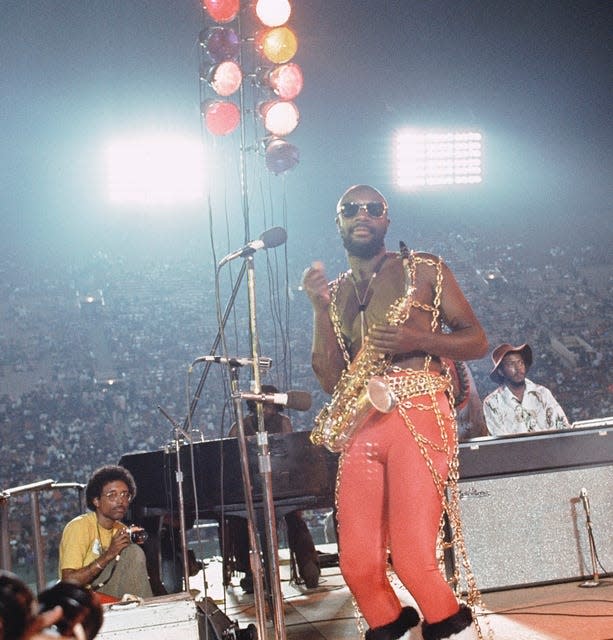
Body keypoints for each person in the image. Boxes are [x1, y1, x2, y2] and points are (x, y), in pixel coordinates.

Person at [302, 185, 488, 640]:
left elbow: (477, 341)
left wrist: (417, 340)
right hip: (362, 420)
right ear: (338, 221)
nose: (362, 214)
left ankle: (453, 629)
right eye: (351, 208)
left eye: (373, 208)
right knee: (358, 565)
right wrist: (319, 311)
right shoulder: (338, 291)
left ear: (387, 219)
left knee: (412, 558)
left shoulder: (424, 268)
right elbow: (330, 380)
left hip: (420, 407)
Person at [226, 385, 321, 592]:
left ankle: (308, 566)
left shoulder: (283, 422)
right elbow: (230, 456)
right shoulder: (239, 426)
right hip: (251, 488)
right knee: (239, 521)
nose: (267, 410)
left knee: (295, 518)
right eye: (263, 406)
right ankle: (249, 571)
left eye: (270, 406)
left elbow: (291, 454)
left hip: (280, 486)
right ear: (253, 405)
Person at [58, 465, 153, 601]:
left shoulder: (121, 529)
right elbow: (68, 582)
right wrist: (109, 554)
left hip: (109, 590)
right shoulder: (79, 527)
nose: (121, 501)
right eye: (112, 495)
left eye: (125, 495)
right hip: (83, 597)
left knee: (134, 551)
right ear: (96, 500)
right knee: (133, 552)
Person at [483, 342, 571, 436]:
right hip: (515, 450)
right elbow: (500, 442)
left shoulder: (542, 393)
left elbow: (563, 427)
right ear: (501, 372)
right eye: (511, 364)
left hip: (550, 449)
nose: (518, 368)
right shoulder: (492, 402)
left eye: (520, 362)